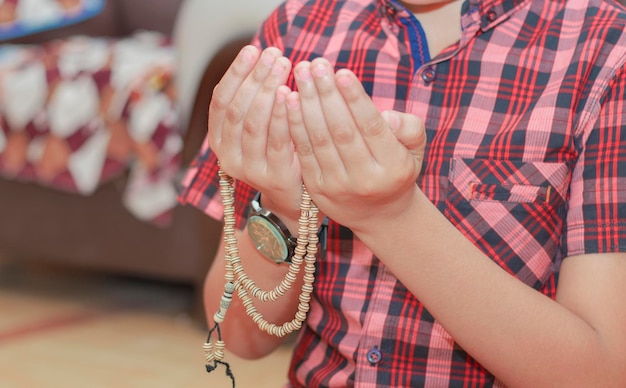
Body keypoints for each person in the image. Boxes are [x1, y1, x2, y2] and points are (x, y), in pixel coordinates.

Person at [178, 0, 626, 386]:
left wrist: (392, 217)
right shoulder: (298, 25)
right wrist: (281, 208)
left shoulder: (607, 47)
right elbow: (239, 336)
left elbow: (602, 373)